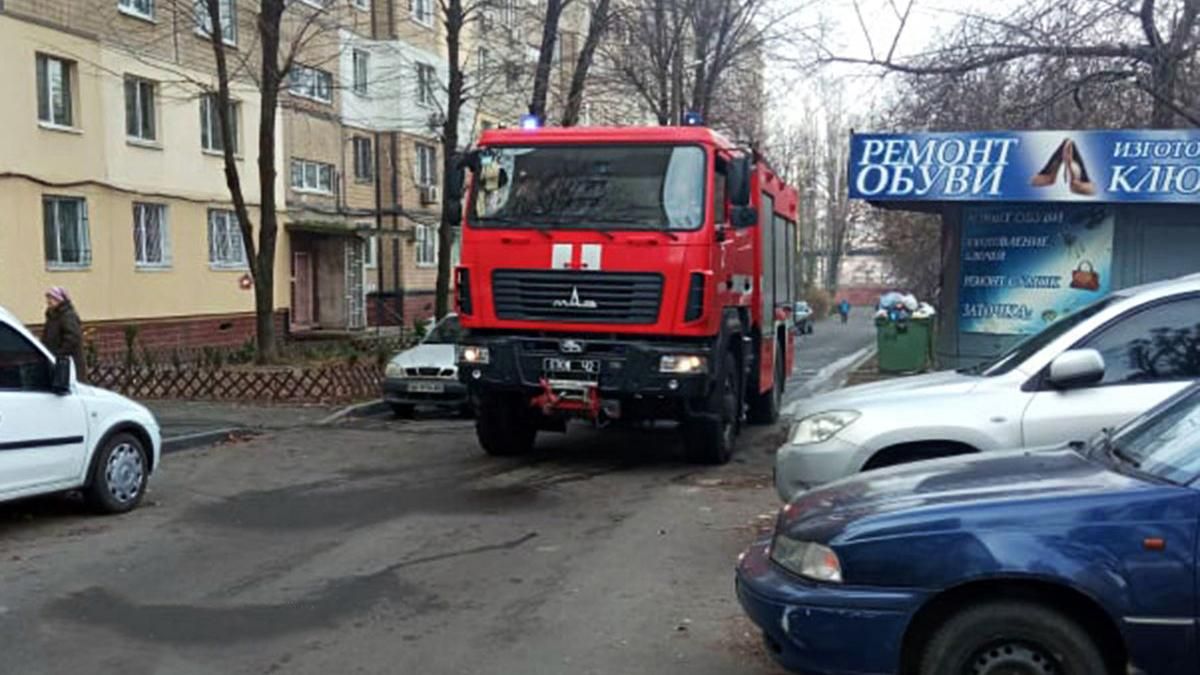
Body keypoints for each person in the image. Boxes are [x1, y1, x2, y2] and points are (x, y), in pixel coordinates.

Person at [42, 286, 87, 383]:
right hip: (57, 361)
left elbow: (73, 337)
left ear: (59, 300)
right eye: (48, 298)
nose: (49, 301)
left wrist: (59, 353)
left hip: (68, 363)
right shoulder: (52, 316)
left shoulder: (67, 316)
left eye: (52, 298)